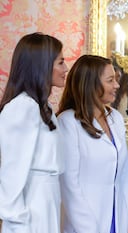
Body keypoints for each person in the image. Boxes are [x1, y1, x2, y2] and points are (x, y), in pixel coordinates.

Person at [57, 55, 128, 233]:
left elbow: (123, 174)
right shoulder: (68, 121)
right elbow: (69, 183)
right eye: (110, 80)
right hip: (85, 221)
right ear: (90, 84)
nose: (117, 85)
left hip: (117, 217)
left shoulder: (115, 118)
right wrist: (87, 227)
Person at [0, 32, 68, 232]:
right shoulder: (23, 107)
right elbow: (12, 169)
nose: (66, 69)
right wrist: (16, 217)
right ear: (42, 66)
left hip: (46, 199)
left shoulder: (43, 108)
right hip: (32, 206)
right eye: (60, 63)